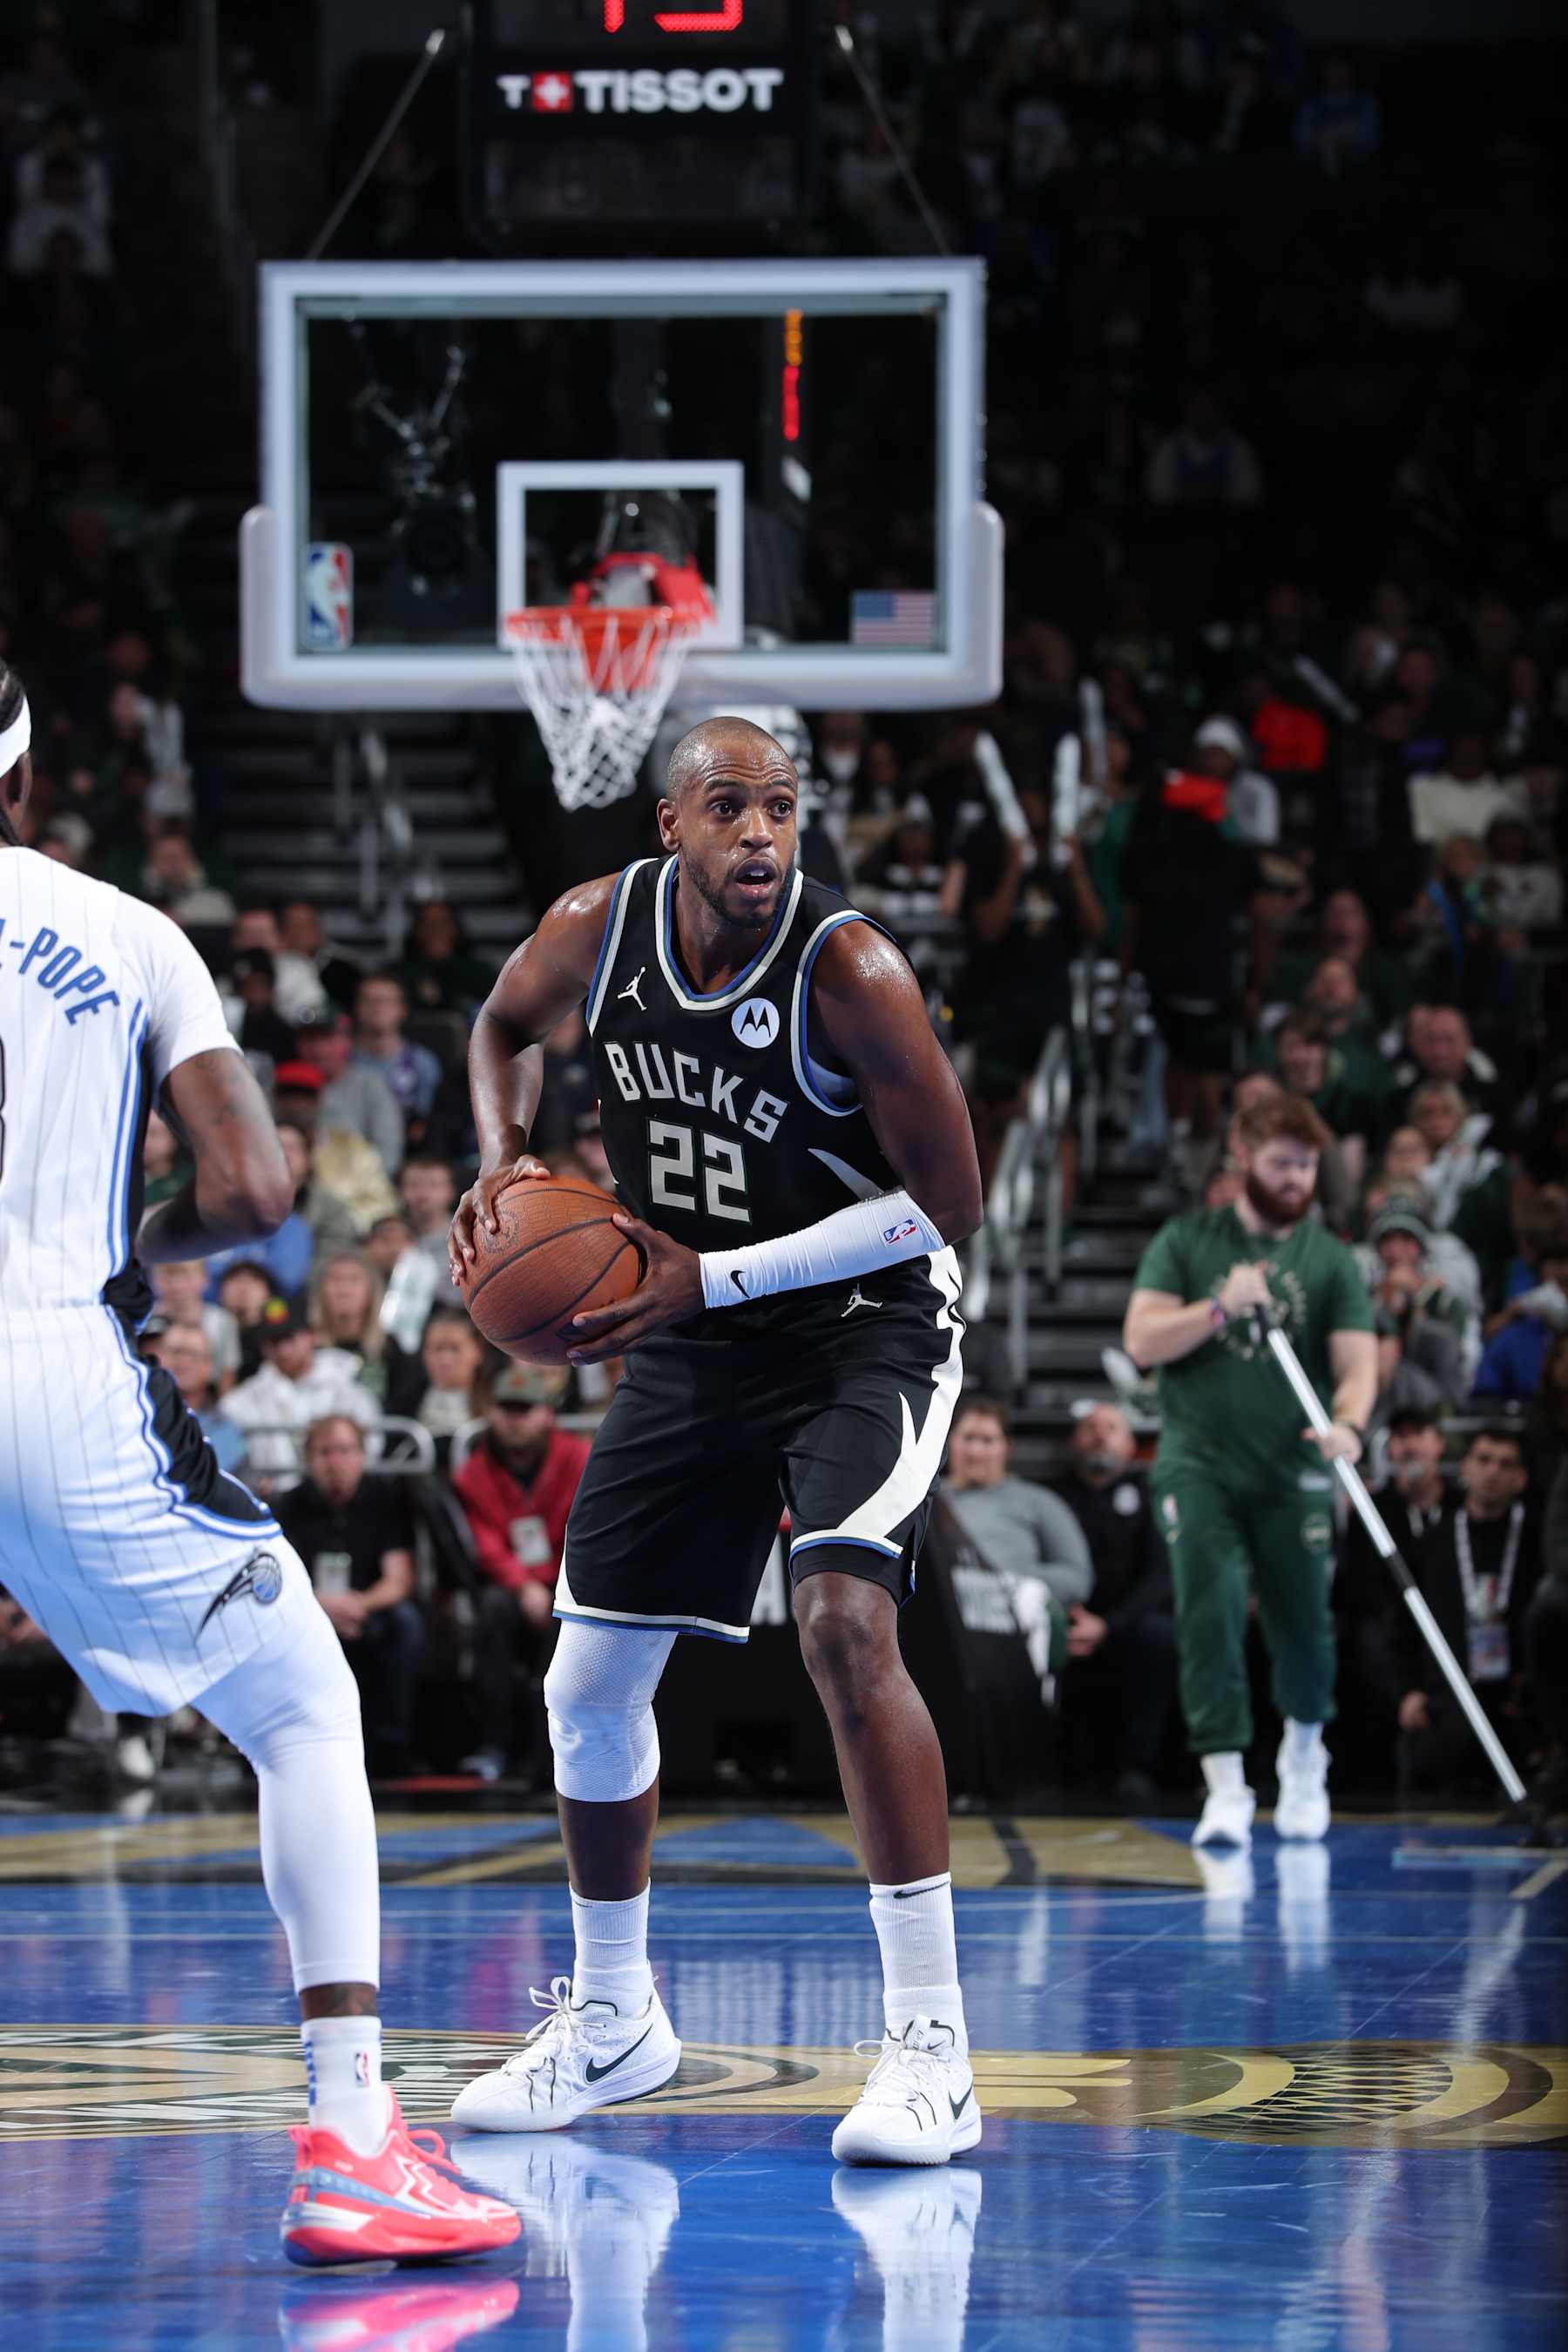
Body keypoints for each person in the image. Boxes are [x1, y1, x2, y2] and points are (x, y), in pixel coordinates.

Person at [0, 662, 515, 2265]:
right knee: (299, 1698)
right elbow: (252, 1181)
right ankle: (355, 2133)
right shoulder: (123, 931)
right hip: (43, 1357)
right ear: (22, 780)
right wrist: (121, 1238)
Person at [447, 715, 984, 2166]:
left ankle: (933, 2047)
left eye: (784, 812)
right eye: (732, 810)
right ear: (670, 825)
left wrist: (709, 1277)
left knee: (841, 1627)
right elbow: (499, 1027)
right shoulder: (592, 929)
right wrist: (504, 1163)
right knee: (589, 1677)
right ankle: (617, 2019)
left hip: (866, 1324)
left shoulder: (850, 969)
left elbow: (951, 1205)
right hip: (692, 1326)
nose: (764, 837)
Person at [1122, 1091, 1376, 1848]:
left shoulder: (1329, 1259)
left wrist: (1352, 1424)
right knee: (1212, 1614)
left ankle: (1303, 1763)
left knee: (1305, 1624)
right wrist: (1218, 1310)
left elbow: (1357, 1362)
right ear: (1243, 1162)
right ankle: (1226, 1786)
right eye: (1283, 1164)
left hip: (1293, 1465)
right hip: (1199, 1463)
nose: (1299, 1179)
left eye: (1307, 1165)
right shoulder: (1188, 1239)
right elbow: (1141, 1341)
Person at [451, 1362, 591, 1782]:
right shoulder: (473, 1471)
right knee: (491, 1613)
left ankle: (550, 1749)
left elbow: (582, 1530)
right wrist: (524, 1585)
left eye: (525, 1409)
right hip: (513, 1588)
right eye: (506, 1409)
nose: (514, 1420)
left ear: (546, 1413)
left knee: (569, 1621)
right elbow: (484, 1542)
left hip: (569, 1580)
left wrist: (549, 1583)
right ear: (490, 1412)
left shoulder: (577, 1457)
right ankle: (495, 1744)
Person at [275, 1417, 425, 1778]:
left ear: (361, 1455)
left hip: (368, 1607)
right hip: (308, 1610)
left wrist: (358, 1604)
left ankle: (393, 1743)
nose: (335, 1462)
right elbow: (278, 1577)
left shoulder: (385, 1499)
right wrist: (325, 1606)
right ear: (309, 1459)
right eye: (324, 1452)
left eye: (344, 1451)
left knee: (405, 1624)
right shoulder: (288, 1504)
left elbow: (399, 1578)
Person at [1398, 1429, 1544, 1796]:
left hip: (1520, 1694)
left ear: (1521, 1478)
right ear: (1464, 1468)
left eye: (1505, 1464)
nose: (1492, 1472)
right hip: (1451, 1692)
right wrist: (1408, 1688)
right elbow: (1406, 1622)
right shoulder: (1435, 1542)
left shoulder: (1538, 1541)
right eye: (1483, 1460)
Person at [1048, 1403, 1178, 1803]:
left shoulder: (1153, 1495)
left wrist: (1110, 1625)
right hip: (1067, 1617)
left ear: (1132, 1445)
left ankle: (1137, 1768)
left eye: (1112, 1427)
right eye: (1090, 1427)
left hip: (1130, 1620)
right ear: (1074, 1442)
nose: (1100, 1434)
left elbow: (1162, 1575)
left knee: (1158, 1636)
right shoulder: (1052, 1496)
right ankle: (1056, 1770)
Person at [941, 1395, 1092, 1691]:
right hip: (944, 1608)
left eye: (987, 1440)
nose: (976, 1450)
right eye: (968, 1438)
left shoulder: (1038, 1502)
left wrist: (1009, 1583)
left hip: (1013, 1610)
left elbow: (1077, 1576)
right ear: (950, 1442)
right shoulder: (928, 1502)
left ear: (1006, 1448)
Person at [222, 1297, 379, 1488]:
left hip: (344, 1495)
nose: (283, 1350)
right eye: (273, 1342)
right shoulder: (243, 1399)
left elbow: (373, 1446)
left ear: (312, 1336)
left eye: (290, 1338)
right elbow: (228, 1451)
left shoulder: (347, 1387)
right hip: (275, 1499)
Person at [352, 972, 443, 1129]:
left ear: (402, 1010)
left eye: (386, 1002)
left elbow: (429, 1121)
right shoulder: (341, 1060)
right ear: (357, 1008)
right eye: (369, 1001)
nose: (377, 1008)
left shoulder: (423, 1063)